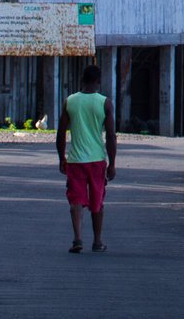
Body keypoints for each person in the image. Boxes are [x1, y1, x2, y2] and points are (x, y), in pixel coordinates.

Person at [56, 62, 117, 254]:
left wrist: (61, 158)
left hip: (75, 160)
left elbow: (60, 133)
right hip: (97, 160)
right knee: (97, 200)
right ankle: (97, 241)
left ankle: (77, 238)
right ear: (98, 81)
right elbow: (111, 135)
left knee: (76, 199)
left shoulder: (70, 101)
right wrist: (112, 164)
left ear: (82, 80)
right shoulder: (105, 103)